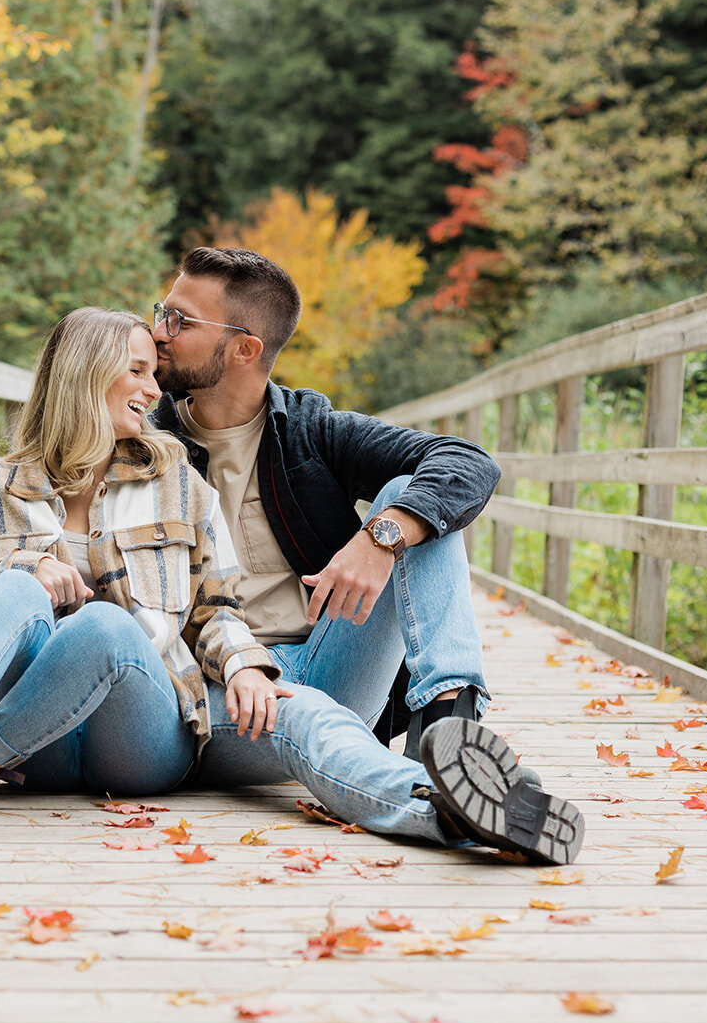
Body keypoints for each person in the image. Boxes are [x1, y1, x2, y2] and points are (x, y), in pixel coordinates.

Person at [0, 307, 583, 865]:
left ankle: (444, 806)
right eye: (139, 370)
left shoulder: (177, 480)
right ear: (84, 372)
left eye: (155, 368)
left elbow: (213, 601)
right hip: (35, 730)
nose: (156, 390)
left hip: (140, 733)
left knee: (280, 697)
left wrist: (244, 662)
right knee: (16, 588)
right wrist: (23, 572)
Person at [149, 247, 499, 761]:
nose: (159, 331)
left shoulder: (310, 431)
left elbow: (469, 461)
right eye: (162, 312)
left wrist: (380, 537)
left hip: (331, 668)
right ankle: (405, 767)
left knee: (409, 500)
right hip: (215, 681)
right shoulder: (142, 440)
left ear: (245, 349)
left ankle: (448, 732)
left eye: (180, 321)